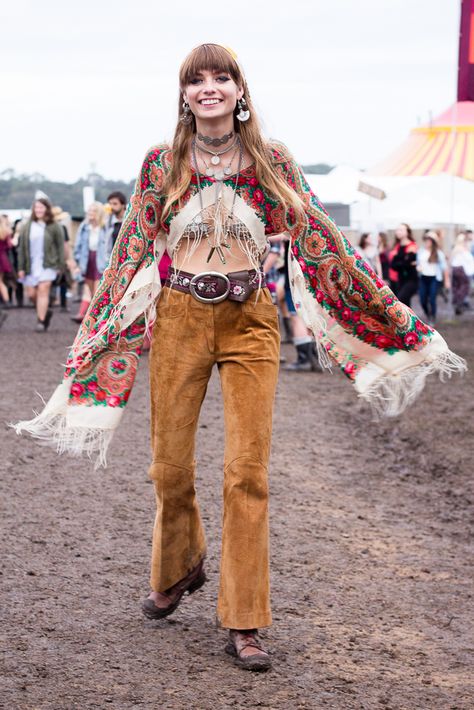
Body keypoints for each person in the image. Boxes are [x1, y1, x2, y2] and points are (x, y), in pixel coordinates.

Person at [14, 44, 465, 672]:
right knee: (169, 469)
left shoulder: (269, 158)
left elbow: (319, 239)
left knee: (246, 473)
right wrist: (95, 334)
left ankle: (245, 619)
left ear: (239, 89)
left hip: (251, 321)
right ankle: (179, 567)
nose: (208, 88)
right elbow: (129, 254)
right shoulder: (161, 163)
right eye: (195, 80)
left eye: (220, 78)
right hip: (178, 318)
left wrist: (394, 320)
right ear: (183, 95)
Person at [17, 198, 65, 332]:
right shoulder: (27, 226)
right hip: (31, 264)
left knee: (43, 290)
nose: (38, 210)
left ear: (47, 209)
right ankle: (45, 312)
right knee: (32, 294)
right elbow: (21, 247)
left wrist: (61, 265)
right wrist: (20, 267)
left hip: (48, 264)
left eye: (41, 207)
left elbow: (60, 246)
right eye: (36, 207)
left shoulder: (54, 226)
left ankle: (41, 321)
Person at [72, 202, 109, 318]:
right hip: (87, 260)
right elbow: (78, 245)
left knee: (98, 290)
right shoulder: (84, 227)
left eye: (93, 211)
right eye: (89, 211)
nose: (90, 213)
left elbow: (108, 246)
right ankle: (92, 316)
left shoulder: (105, 227)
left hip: (100, 260)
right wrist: (77, 262)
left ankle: (93, 316)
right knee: (89, 289)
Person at [416, 231, 449, 323]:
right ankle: (428, 314)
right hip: (423, 278)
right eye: (426, 239)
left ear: (433, 242)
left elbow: (444, 268)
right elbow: (418, 263)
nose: (427, 242)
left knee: (432, 298)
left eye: (430, 240)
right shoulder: (421, 252)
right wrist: (418, 267)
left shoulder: (438, 253)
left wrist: (447, 281)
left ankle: (433, 317)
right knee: (422, 299)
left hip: (434, 278)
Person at [390, 223, 418, 307]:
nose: (398, 232)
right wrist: (404, 262)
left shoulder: (412, 246)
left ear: (407, 232)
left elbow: (406, 264)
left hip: (411, 280)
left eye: (401, 230)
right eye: (397, 230)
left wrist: (401, 263)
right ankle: (408, 320)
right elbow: (393, 265)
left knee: (400, 301)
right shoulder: (397, 247)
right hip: (400, 279)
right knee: (405, 305)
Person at [450, 232, 474, 315]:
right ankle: (458, 301)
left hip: (456, 269)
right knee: (464, 286)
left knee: (458, 287)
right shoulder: (461, 248)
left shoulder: (458, 248)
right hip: (460, 269)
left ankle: (457, 303)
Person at [0, 214, 15, 310]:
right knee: (1, 281)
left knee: (0, 282)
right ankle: (6, 300)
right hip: (3, 257)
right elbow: (10, 245)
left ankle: (6, 300)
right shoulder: (6, 232)